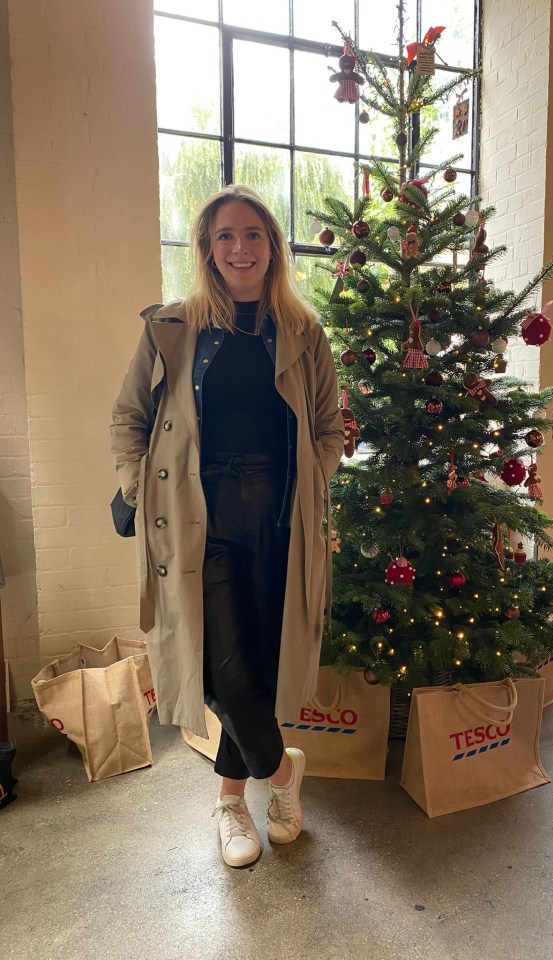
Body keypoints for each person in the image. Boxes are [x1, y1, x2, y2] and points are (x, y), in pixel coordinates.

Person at [110, 185, 344, 868]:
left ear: (272, 245)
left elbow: (327, 426)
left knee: (262, 668)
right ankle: (282, 773)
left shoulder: (303, 331)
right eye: (225, 237)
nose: (240, 248)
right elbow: (128, 419)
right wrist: (135, 486)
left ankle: (232, 801)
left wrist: (314, 482)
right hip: (196, 519)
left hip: (278, 518)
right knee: (224, 670)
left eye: (252, 235)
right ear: (208, 251)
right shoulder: (174, 328)